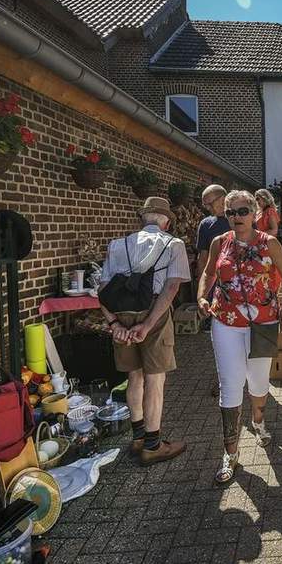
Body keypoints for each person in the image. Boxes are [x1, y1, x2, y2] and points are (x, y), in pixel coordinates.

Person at [197, 190, 282, 484]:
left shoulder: (270, 243)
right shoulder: (219, 243)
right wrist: (203, 296)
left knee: (258, 382)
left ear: (254, 213)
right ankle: (230, 452)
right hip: (225, 321)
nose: (237, 217)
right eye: (231, 212)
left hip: (263, 323)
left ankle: (258, 420)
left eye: (242, 211)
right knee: (230, 384)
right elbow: (208, 273)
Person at [99, 196, 190, 465]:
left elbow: (102, 291)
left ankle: (138, 436)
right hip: (155, 312)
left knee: (134, 376)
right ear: (166, 221)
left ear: (143, 218)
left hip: (121, 313)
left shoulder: (117, 245)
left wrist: (114, 324)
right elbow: (172, 288)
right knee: (155, 379)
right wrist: (148, 324)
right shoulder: (173, 244)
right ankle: (153, 445)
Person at [196, 184, 232, 398]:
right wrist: (201, 290)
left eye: (212, 202)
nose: (209, 208)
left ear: (224, 197)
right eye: (206, 204)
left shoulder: (240, 217)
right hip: (216, 289)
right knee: (219, 337)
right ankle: (222, 379)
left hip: (240, 288)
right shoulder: (206, 225)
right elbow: (202, 259)